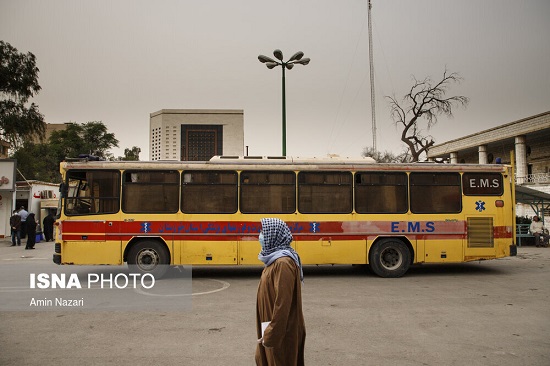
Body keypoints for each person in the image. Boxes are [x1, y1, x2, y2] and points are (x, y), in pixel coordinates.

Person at [255, 218, 305, 366]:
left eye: (264, 232)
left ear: (274, 235)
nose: (260, 235)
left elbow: (283, 305)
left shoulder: (283, 263)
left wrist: (272, 334)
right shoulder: (274, 260)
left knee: (281, 360)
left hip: (281, 334)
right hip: (271, 328)